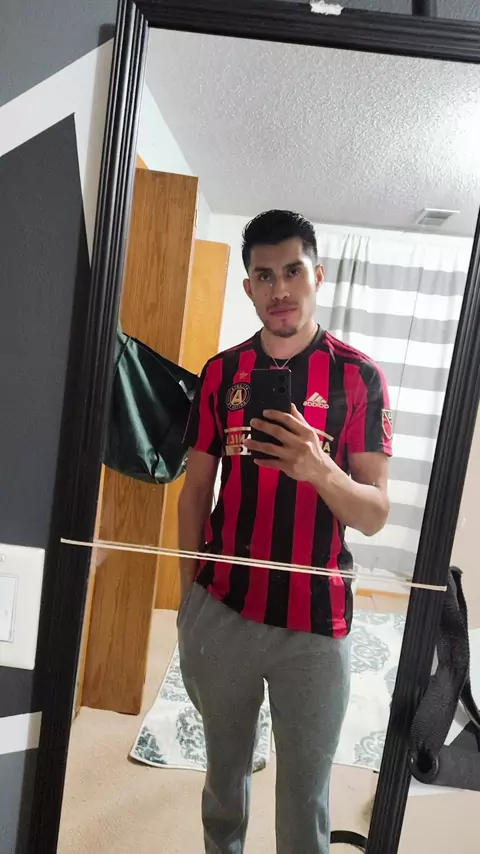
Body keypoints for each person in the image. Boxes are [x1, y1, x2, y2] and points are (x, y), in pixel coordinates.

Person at [177, 210, 393, 854]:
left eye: (293, 271)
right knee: (223, 780)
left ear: (318, 277)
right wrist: (188, 598)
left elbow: (374, 514)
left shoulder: (358, 376)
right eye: (265, 276)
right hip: (224, 605)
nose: (280, 290)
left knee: (305, 798)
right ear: (248, 287)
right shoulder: (221, 374)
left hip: (316, 621)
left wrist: (318, 468)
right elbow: (195, 490)